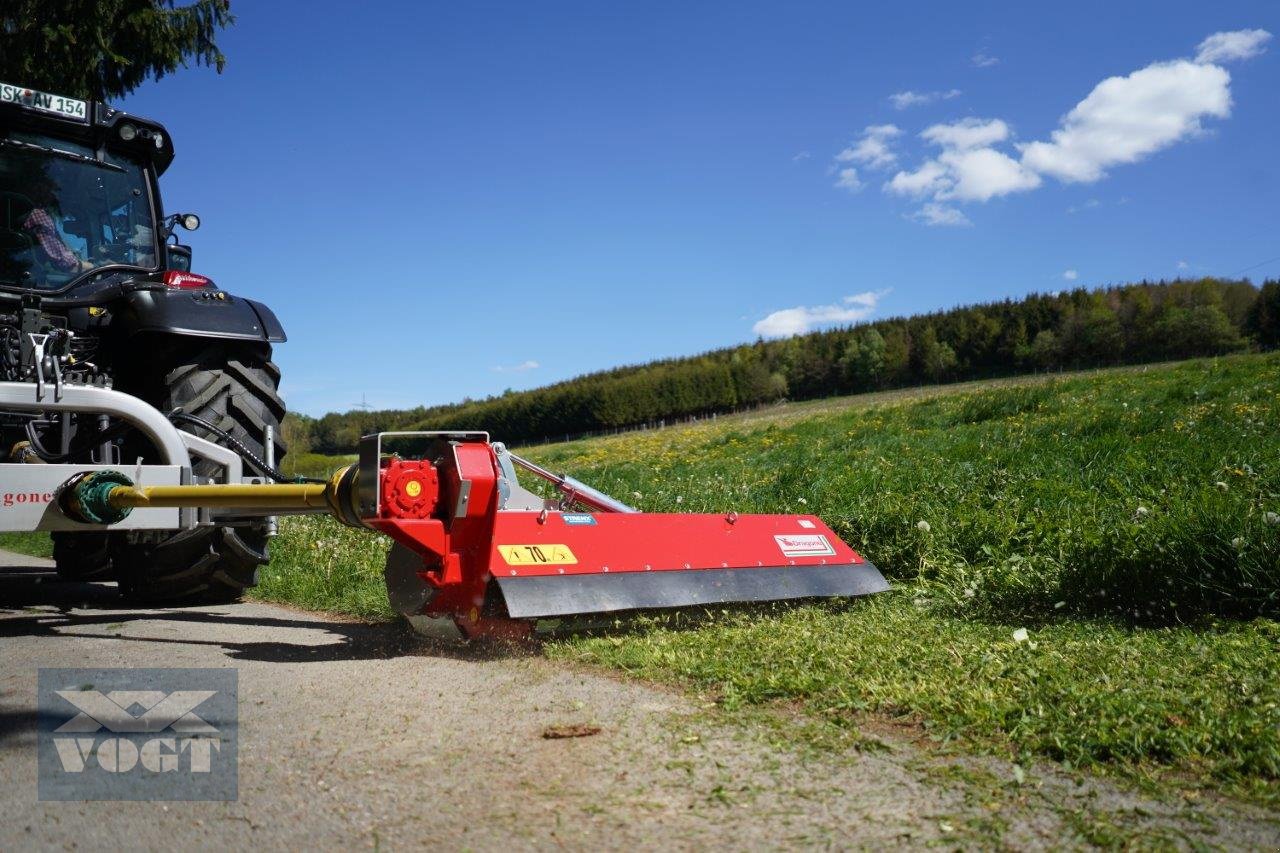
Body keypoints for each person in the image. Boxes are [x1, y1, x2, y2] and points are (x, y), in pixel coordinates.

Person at [22, 205, 94, 274]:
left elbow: (58, 244)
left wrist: (72, 254)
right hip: (31, 277)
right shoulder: (39, 215)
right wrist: (90, 267)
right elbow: (58, 257)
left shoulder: (47, 218)